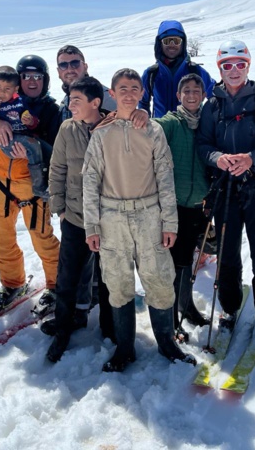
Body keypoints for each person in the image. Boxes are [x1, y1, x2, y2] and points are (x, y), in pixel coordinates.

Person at [83, 68, 195, 372]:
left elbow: (165, 176)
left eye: (135, 89)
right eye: (123, 89)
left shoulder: (153, 130)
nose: (129, 94)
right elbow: (90, 181)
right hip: (112, 217)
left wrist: (169, 222)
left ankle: (167, 342)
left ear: (142, 93)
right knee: (118, 284)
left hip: (149, 215)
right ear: (112, 93)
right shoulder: (101, 134)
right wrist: (92, 226)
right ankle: (125, 348)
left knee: (159, 280)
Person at [196, 40, 255, 332]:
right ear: (220, 69)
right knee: (227, 252)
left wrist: (252, 159)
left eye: (240, 64)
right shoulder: (212, 106)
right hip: (225, 190)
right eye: (227, 65)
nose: (234, 70)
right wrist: (218, 158)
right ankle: (230, 305)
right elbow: (203, 144)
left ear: (248, 66)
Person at [0, 55, 61, 314]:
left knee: (42, 239)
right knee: (1, 239)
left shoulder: (51, 110)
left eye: (37, 77)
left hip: (34, 185)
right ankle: (12, 283)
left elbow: (59, 149)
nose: (32, 81)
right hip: (1, 181)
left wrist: (33, 148)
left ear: (45, 80)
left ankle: (56, 285)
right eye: (26, 76)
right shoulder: (1, 102)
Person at [41, 76, 114, 362]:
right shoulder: (67, 129)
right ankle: (62, 329)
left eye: (76, 100)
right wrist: (59, 208)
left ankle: (111, 328)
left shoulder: (114, 128)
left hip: (107, 218)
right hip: (74, 216)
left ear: (95, 103)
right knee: (67, 277)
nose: (70, 105)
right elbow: (57, 168)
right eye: (70, 100)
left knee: (108, 277)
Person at [154, 73, 212, 340]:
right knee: (173, 261)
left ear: (203, 95)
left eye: (196, 91)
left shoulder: (207, 124)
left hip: (198, 204)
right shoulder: (171, 123)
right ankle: (172, 312)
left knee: (187, 258)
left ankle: (185, 305)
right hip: (172, 204)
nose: (191, 95)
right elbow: (150, 129)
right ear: (178, 96)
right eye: (186, 91)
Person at [0, 65, 47, 199]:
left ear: (15, 89)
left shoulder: (20, 101)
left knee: (40, 148)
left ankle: (41, 183)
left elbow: (34, 123)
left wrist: (30, 121)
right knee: (35, 147)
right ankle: (39, 187)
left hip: (22, 140)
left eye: (7, 89)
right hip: (7, 141)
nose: (2, 93)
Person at [139, 20, 215, 118]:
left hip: (191, 127)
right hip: (160, 127)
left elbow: (214, 95)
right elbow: (142, 101)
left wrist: (208, 119)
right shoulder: (151, 74)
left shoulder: (195, 71)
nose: (172, 45)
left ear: (183, 44)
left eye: (176, 41)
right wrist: (145, 120)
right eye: (167, 41)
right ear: (159, 44)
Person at [54, 45, 115, 122]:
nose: (69, 70)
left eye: (75, 64)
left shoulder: (106, 98)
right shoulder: (65, 104)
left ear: (85, 67)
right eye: (63, 65)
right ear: (58, 72)